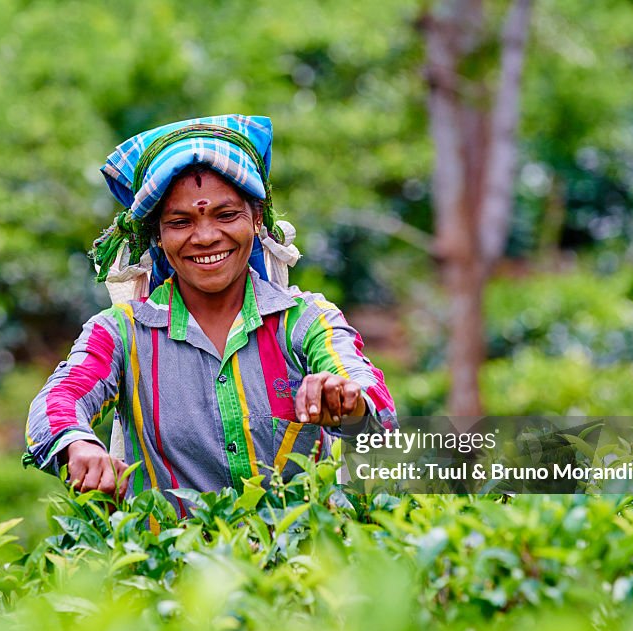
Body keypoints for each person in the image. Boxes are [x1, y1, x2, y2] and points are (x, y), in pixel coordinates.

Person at [23, 115, 396, 506]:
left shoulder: (305, 320)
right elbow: (58, 399)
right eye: (180, 221)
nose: (205, 237)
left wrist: (350, 402)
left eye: (226, 215)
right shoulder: (121, 333)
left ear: (256, 219)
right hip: (173, 565)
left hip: (307, 563)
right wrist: (77, 444)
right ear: (158, 236)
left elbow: (371, 400)